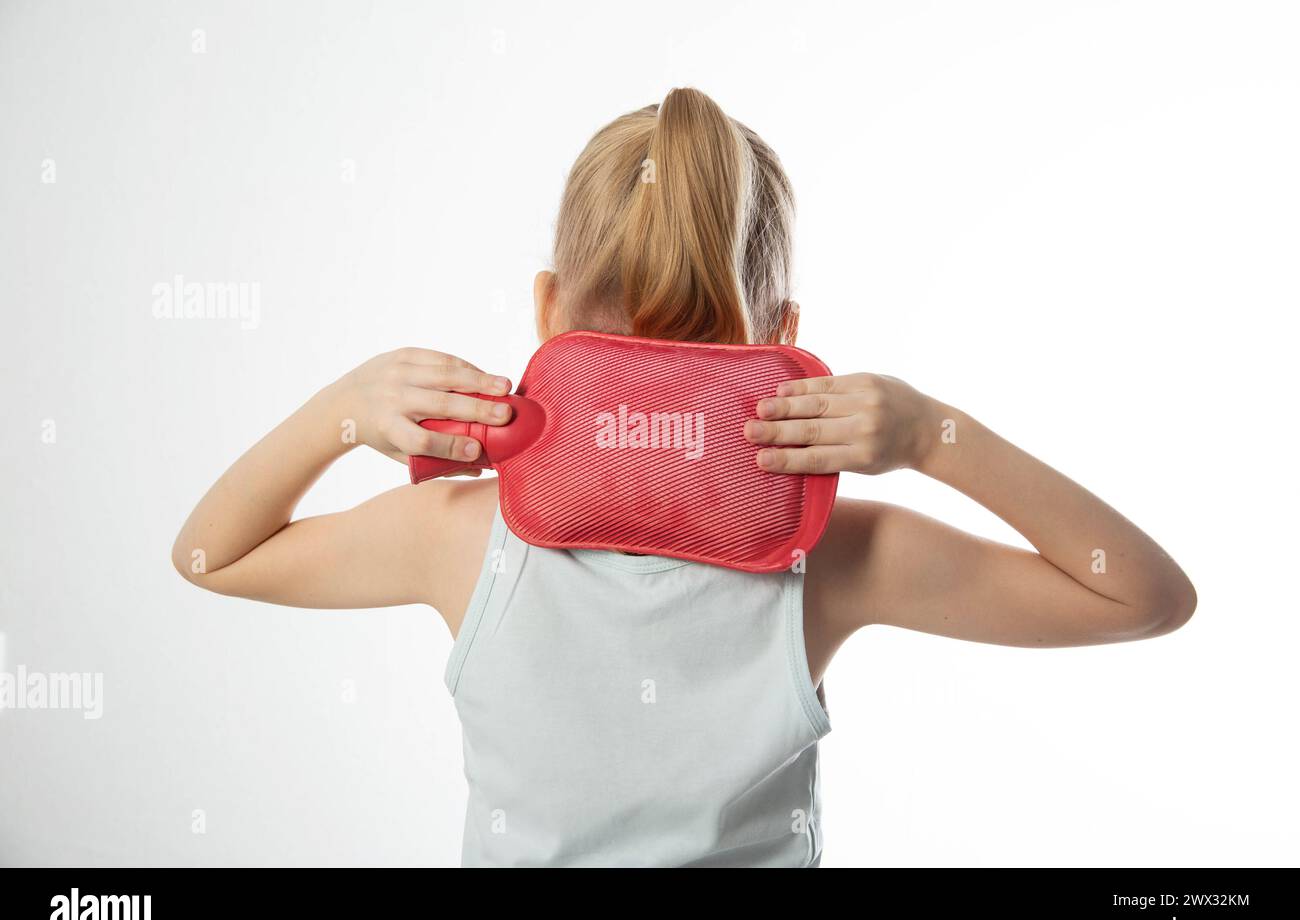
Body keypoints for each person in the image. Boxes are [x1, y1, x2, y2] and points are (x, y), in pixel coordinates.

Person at [172, 87, 1196, 867]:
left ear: (546, 310)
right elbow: (1141, 597)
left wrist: (344, 408)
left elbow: (212, 555)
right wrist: (935, 436)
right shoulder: (832, 557)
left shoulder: (459, 536)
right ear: (783, 338)